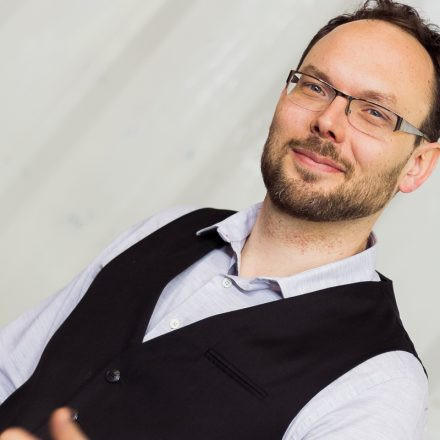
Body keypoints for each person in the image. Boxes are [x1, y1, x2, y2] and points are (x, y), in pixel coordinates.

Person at [1, 0, 439, 438]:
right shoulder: (168, 229)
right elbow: (10, 373)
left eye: (375, 112)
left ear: (417, 165)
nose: (328, 121)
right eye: (315, 87)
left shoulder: (378, 385)